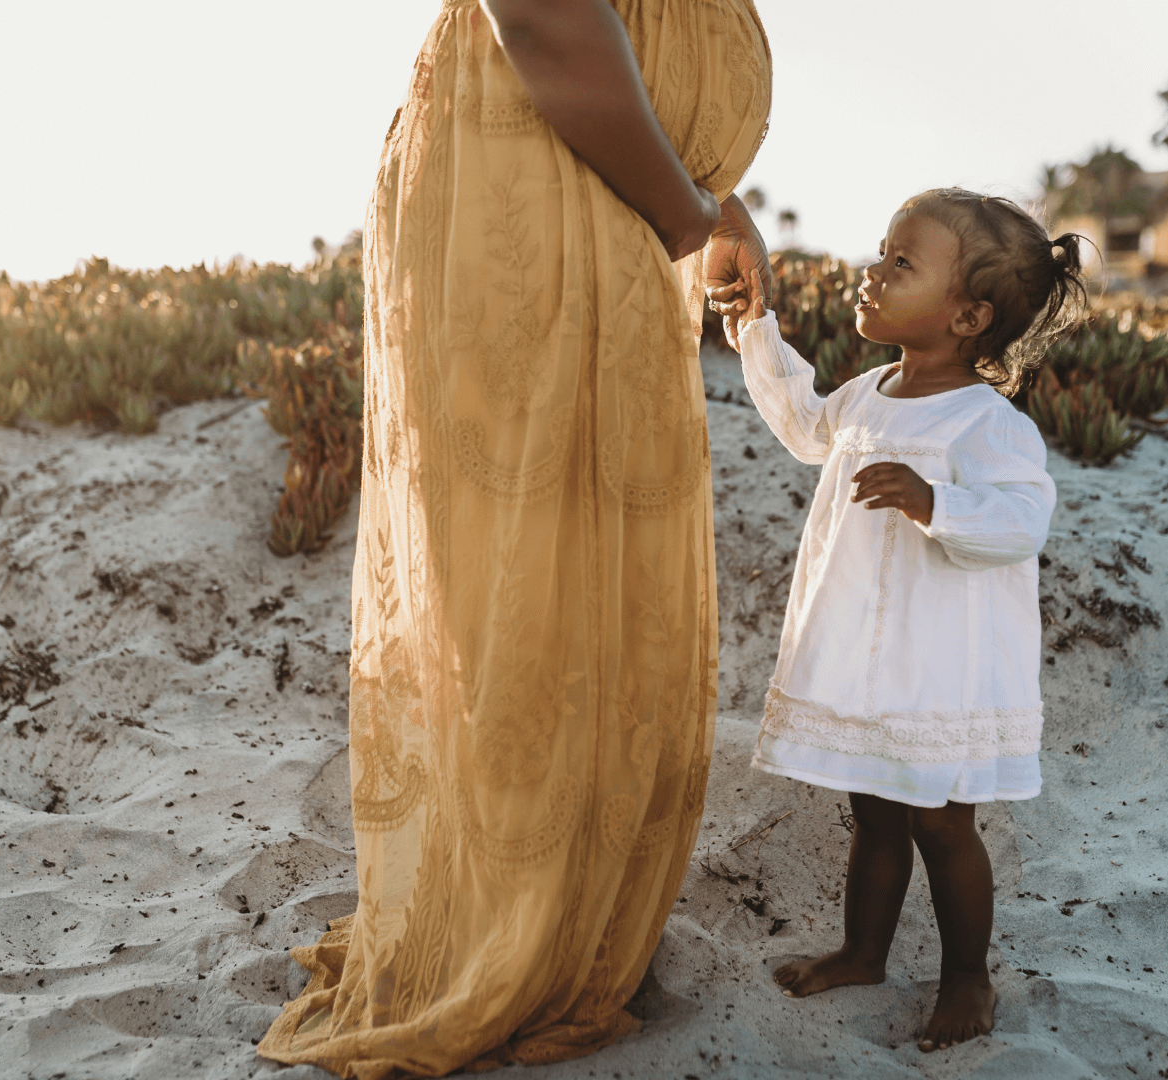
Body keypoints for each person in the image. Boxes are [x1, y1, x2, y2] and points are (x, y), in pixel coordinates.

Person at [258, 1, 771, 1076]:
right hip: (550, 194)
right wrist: (684, 213)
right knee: (530, 590)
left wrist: (705, 198)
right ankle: (513, 939)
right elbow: (542, 14)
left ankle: (557, 928)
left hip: (604, 187)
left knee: (572, 588)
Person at [709, 189, 1087, 1051]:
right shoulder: (870, 393)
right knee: (873, 811)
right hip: (867, 656)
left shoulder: (986, 422)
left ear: (968, 316)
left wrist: (936, 501)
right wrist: (757, 331)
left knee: (943, 822)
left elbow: (1023, 519)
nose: (872, 272)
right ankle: (862, 951)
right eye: (880, 252)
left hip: (940, 665)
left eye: (900, 264)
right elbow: (806, 426)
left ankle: (966, 977)